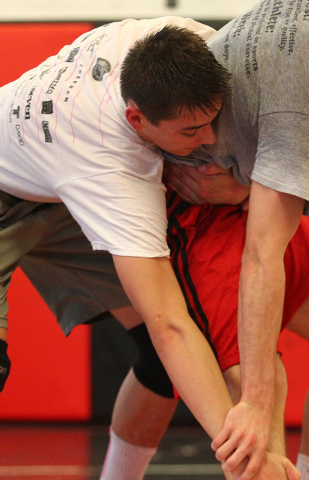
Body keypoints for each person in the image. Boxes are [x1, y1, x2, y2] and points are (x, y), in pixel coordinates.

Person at [96, 0, 309, 477]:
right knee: (256, 398)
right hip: (195, 210)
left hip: (233, 194)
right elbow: (261, 254)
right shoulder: (308, 88)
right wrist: (254, 401)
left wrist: (240, 181)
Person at [0, 17, 287, 480]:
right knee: (171, 329)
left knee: (162, 361)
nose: (210, 140)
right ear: (137, 118)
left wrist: (237, 180)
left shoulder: (182, 37)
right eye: (191, 132)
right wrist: (244, 458)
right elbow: (168, 325)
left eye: (212, 122)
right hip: (18, 193)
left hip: (55, 184)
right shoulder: (112, 172)